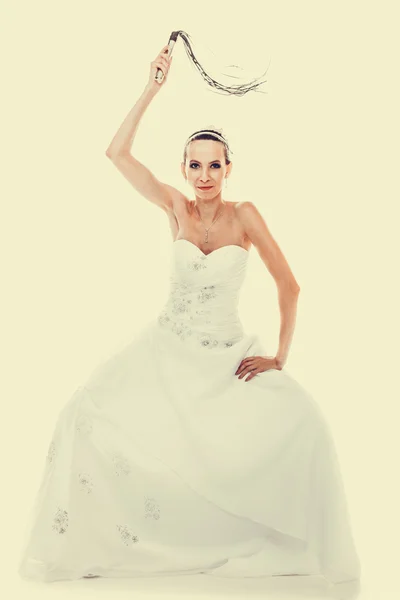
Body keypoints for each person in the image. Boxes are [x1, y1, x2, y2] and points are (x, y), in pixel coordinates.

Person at [17, 43, 361, 592]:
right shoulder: (175, 207)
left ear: (229, 168)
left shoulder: (244, 215)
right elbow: (115, 154)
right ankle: (101, 541)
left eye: (214, 165)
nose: (204, 174)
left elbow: (290, 285)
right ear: (184, 168)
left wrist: (279, 357)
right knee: (83, 413)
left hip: (226, 356)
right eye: (195, 165)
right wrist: (152, 87)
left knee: (307, 423)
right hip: (166, 349)